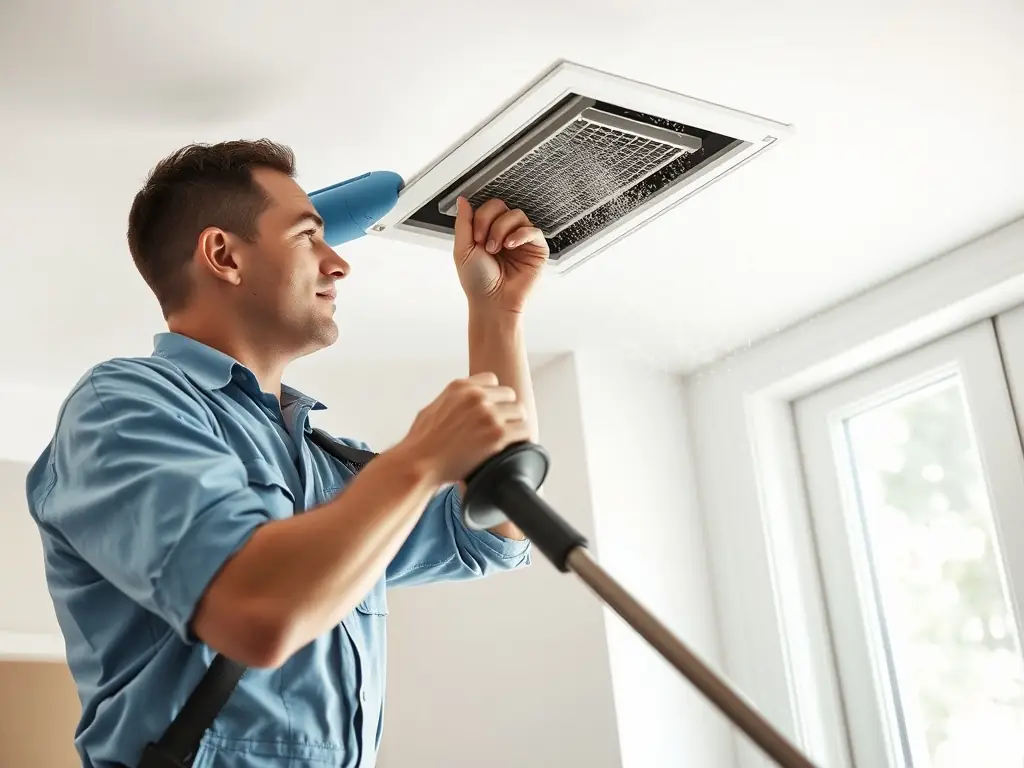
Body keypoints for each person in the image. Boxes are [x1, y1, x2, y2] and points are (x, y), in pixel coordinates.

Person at [25, 139, 547, 768]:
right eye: (308, 236)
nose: (339, 264)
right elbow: (256, 613)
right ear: (223, 255)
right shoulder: (122, 404)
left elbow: (492, 531)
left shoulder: (330, 462)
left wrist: (497, 316)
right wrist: (419, 458)